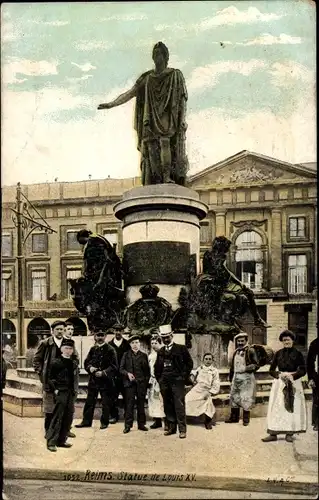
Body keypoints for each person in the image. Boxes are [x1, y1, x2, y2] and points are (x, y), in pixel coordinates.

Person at [98, 42, 188, 186]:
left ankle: (166, 177)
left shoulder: (175, 75)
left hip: (165, 115)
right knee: (151, 148)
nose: (156, 57)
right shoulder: (146, 78)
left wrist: (182, 119)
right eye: (154, 54)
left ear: (165, 57)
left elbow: (182, 98)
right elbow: (130, 93)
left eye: (159, 54)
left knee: (165, 142)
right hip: (149, 118)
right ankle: (155, 179)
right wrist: (111, 104)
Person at [262, 330, 307, 443]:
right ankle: (273, 433)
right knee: (277, 406)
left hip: (293, 382)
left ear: (292, 341)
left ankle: (289, 433)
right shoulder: (278, 353)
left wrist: (293, 376)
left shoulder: (298, 354)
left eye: (288, 340)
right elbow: (271, 370)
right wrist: (279, 375)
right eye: (284, 340)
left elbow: (303, 370)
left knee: (291, 406)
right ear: (282, 341)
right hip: (280, 382)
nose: (286, 342)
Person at [154, 324, 193, 439]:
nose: (166, 339)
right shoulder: (160, 351)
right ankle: (172, 428)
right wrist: (160, 379)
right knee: (168, 405)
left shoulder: (181, 348)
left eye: (167, 337)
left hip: (177, 381)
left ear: (172, 336)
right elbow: (157, 367)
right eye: (163, 337)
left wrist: (182, 376)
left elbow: (189, 363)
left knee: (179, 405)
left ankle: (182, 429)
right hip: (164, 382)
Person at [76, 330, 118, 429]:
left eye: (102, 335)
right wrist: (90, 368)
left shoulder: (110, 349)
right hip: (93, 380)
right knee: (89, 402)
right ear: (95, 336)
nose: (100, 338)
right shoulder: (93, 349)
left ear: (105, 336)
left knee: (105, 403)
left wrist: (103, 373)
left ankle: (104, 422)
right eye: (98, 335)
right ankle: (86, 421)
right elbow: (86, 362)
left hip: (106, 381)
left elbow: (114, 366)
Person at [33, 320, 67, 434]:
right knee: (49, 409)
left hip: (64, 382)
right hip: (49, 381)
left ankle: (61, 434)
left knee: (62, 409)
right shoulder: (45, 343)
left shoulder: (68, 343)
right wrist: (42, 375)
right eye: (57, 329)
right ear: (52, 331)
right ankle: (48, 432)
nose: (60, 331)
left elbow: (74, 358)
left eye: (62, 329)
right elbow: (36, 360)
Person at [46, 339, 76, 452]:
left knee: (68, 416)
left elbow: (73, 379)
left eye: (70, 349)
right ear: (61, 349)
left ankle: (61, 440)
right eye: (66, 348)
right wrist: (56, 389)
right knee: (58, 416)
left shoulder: (73, 363)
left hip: (69, 392)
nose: (68, 351)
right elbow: (50, 378)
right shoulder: (56, 362)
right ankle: (51, 442)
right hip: (61, 392)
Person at [225, 332, 259, 426]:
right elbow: (232, 367)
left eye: (242, 341)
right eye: (238, 341)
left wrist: (246, 368)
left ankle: (246, 420)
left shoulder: (250, 351)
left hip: (247, 378)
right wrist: (231, 378)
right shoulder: (235, 351)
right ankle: (234, 418)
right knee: (234, 397)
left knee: (246, 398)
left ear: (246, 341)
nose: (240, 343)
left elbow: (256, 365)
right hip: (236, 377)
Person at [120, 335, 150, 434]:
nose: (135, 345)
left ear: (139, 344)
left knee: (141, 404)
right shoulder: (126, 355)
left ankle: (141, 424)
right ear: (130, 344)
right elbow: (121, 369)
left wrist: (145, 383)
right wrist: (127, 374)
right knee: (129, 405)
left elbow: (147, 372)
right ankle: (128, 425)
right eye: (133, 343)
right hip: (129, 384)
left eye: (136, 342)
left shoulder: (144, 355)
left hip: (141, 384)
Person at [186, 352, 220, 429]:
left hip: (207, 390)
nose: (208, 361)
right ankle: (186, 419)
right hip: (197, 389)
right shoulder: (200, 368)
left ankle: (207, 421)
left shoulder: (214, 371)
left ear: (212, 361)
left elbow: (216, 383)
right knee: (186, 399)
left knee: (208, 403)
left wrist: (210, 392)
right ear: (203, 360)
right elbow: (193, 374)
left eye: (210, 359)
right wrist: (191, 376)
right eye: (206, 359)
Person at [108, 323, 131, 423]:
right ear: (113, 331)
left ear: (122, 331)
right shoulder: (109, 344)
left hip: (124, 375)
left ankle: (127, 415)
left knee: (127, 396)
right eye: (116, 330)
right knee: (113, 396)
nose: (118, 332)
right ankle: (114, 416)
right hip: (113, 375)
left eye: (120, 330)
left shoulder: (127, 344)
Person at [63, 321, 80, 438]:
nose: (70, 331)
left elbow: (76, 357)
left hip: (72, 378)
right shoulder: (62, 343)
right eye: (68, 329)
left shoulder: (72, 343)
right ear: (64, 330)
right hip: (63, 379)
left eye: (72, 329)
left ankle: (67, 428)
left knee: (70, 406)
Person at [148, 333, 165, 429]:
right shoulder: (151, 356)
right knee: (153, 400)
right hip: (152, 380)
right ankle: (157, 421)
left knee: (162, 400)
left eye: (155, 343)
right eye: (152, 343)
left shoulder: (163, 354)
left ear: (159, 343)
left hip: (161, 380)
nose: (153, 345)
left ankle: (166, 422)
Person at [307, 336, 319, 431]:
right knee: (317, 400)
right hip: (317, 377)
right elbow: (310, 363)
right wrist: (311, 378)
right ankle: (317, 423)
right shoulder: (315, 343)